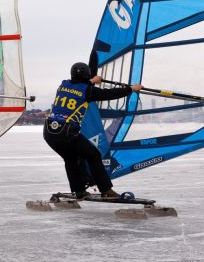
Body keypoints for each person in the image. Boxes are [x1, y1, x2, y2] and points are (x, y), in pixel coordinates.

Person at [44, 62, 142, 199]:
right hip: (67, 132)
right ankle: (106, 191)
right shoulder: (88, 91)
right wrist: (131, 89)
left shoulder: (63, 85)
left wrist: (92, 81)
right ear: (87, 75)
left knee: (71, 159)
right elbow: (109, 94)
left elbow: (79, 87)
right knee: (94, 155)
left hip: (49, 132)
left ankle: (79, 191)